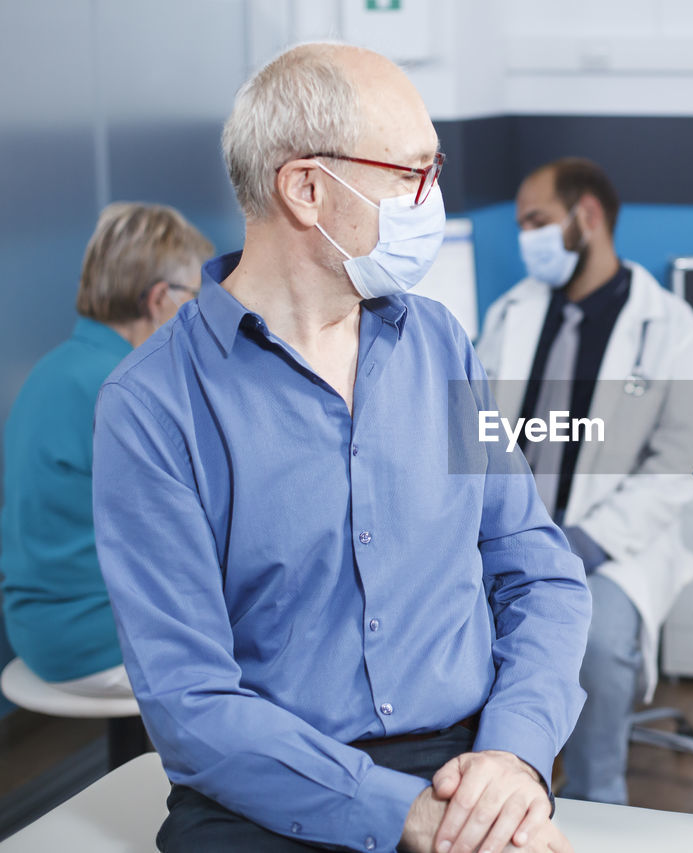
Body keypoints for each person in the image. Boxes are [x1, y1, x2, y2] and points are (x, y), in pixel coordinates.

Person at [92, 43, 589, 853]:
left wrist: (512, 754)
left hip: (465, 765)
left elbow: (536, 569)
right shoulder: (152, 405)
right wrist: (405, 816)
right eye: (411, 175)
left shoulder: (441, 345)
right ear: (307, 188)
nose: (433, 199)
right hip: (263, 787)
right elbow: (190, 703)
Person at [476, 158, 693, 805]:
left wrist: (584, 539)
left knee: (598, 638)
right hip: (504, 533)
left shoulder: (673, 332)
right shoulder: (510, 315)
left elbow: (677, 464)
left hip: (610, 546)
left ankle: (595, 796)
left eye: (536, 221)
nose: (526, 237)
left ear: (587, 217)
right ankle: (489, 787)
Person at [1, 202, 210, 699]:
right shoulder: (122, 389)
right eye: (196, 299)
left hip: (39, 627)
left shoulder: (57, 368)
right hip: (93, 638)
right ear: (160, 299)